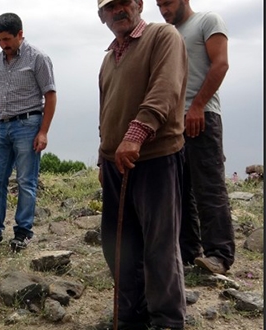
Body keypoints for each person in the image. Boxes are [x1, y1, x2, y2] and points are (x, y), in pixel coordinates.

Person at [96, 0, 188, 328]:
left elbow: (165, 90)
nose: (117, 10)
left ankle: (166, 320)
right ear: (101, 16)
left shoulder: (163, 37)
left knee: (159, 247)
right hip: (114, 163)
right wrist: (102, 156)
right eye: (110, 6)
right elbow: (106, 111)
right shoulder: (108, 59)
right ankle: (131, 316)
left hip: (155, 157)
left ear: (138, 4)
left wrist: (136, 134)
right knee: (118, 246)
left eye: (124, 2)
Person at [156, 0, 234, 275]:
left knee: (208, 186)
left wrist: (198, 106)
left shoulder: (207, 21)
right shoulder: (167, 34)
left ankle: (220, 255)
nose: (164, 10)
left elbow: (221, 64)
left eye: (167, 3)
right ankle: (189, 253)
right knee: (179, 190)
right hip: (173, 122)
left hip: (202, 116)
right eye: (159, 5)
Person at [0, 13, 56, 253]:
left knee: (26, 181)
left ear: (20, 34)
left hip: (28, 124)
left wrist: (43, 131)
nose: (3, 44)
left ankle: (23, 232)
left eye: (7, 39)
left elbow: (50, 95)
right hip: (3, 127)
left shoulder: (38, 58)